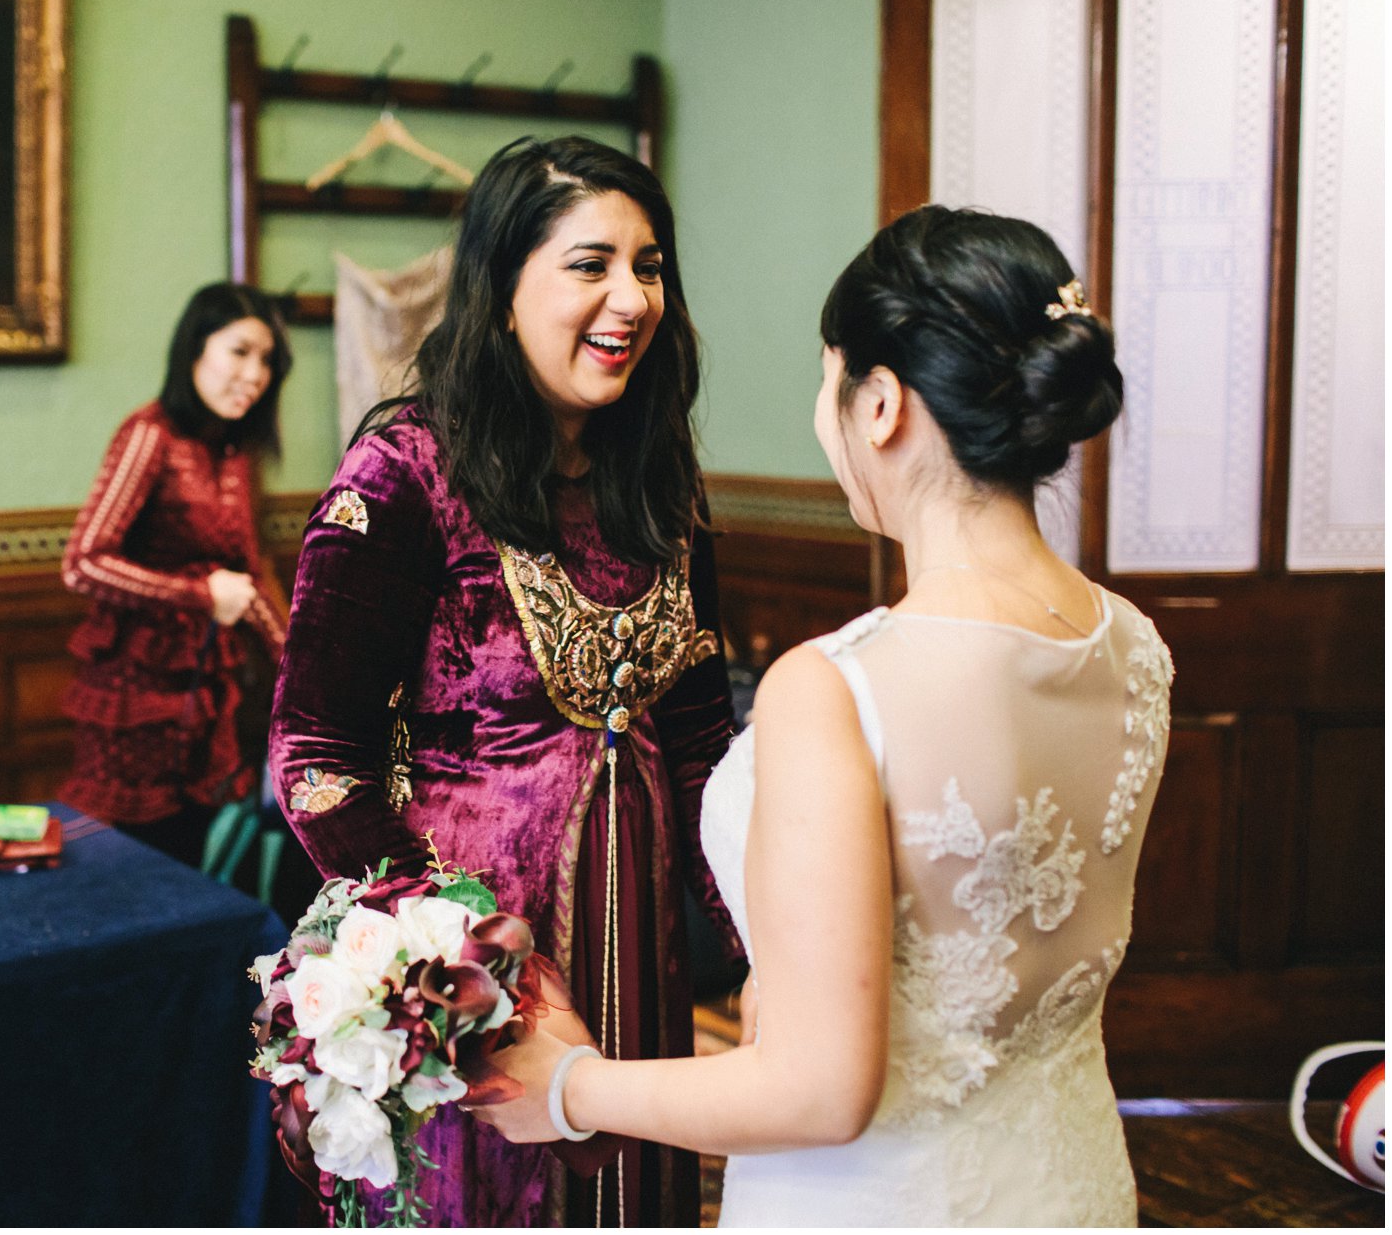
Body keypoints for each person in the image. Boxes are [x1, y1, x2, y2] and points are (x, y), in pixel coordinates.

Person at [478, 206, 1173, 1228]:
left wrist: (566, 1087)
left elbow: (819, 1089)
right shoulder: (1134, 645)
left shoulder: (836, 688)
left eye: (828, 377)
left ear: (881, 403)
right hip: (1071, 1186)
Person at [267, 136, 741, 1227]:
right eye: (591, 263)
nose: (631, 296)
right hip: (471, 977)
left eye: (651, 264)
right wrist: (471, 961)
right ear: (501, 285)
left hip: (642, 951)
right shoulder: (403, 475)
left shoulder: (659, 480)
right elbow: (316, 758)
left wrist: (770, 945)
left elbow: (708, 741)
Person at [58, 283, 292, 867]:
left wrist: (301, 671)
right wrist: (198, 596)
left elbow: (246, 578)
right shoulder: (150, 432)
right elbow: (83, 562)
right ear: (195, 350)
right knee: (136, 857)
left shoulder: (234, 450)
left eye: (267, 361)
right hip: (135, 691)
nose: (255, 375)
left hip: (209, 690)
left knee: (196, 850)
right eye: (239, 352)